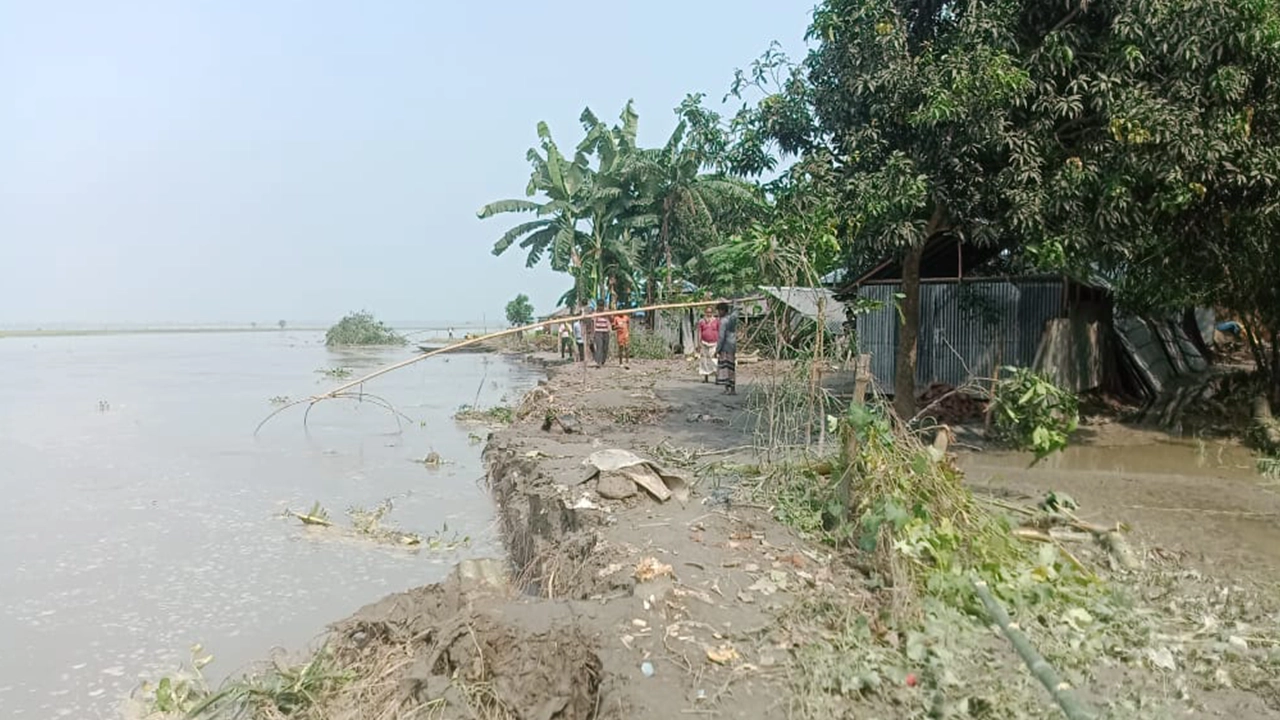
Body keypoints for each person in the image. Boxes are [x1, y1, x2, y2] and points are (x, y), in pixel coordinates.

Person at [715, 301, 738, 395]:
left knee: (725, 368)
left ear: (723, 311)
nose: (718, 313)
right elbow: (736, 312)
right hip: (732, 346)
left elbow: (721, 336)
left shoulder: (723, 321)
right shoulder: (732, 319)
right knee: (731, 367)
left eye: (719, 311)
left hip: (725, 347)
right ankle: (732, 388)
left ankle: (728, 389)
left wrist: (717, 349)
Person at [696, 305, 719, 383]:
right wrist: (698, 343)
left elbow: (719, 332)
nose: (709, 314)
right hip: (704, 343)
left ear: (712, 312)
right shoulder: (701, 321)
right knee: (704, 360)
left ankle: (717, 377)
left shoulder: (716, 321)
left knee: (714, 360)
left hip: (714, 343)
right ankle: (706, 377)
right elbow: (699, 332)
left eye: (710, 312)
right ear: (705, 312)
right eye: (707, 312)